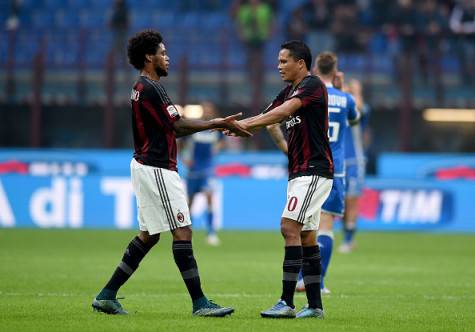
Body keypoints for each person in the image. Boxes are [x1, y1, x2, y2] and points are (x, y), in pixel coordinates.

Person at [91, 30, 250, 317]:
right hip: (157, 168)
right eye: (163, 53)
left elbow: (169, 127)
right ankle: (200, 303)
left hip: (145, 165)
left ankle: (106, 295)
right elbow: (177, 127)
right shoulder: (152, 88)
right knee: (183, 230)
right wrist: (215, 122)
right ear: (149, 57)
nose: (168, 58)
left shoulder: (140, 87)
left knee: (149, 235)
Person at [230, 40, 334, 319]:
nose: (278, 66)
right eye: (277, 61)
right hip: (300, 171)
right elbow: (269, 116)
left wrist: (245, 125)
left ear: (301, 63)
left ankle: (286, 302)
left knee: (288, 227)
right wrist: (237, 126)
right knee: (307, 236)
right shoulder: (289, 91)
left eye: (283, 61)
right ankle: (314, 306)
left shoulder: (312, 86)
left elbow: (282, 113)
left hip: (313, 170)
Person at [296, 54, 359, 295]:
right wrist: (342, 91)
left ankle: (302, 277)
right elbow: (355, 121)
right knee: (326, 226)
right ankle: (318, 282)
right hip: (336, 168)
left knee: (302, 224)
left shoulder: (308, 95)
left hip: (309, 164)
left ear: (313, 69)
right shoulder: (346, 99)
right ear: (336, 71)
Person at [182, 102, 225, 246]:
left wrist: (217, 148)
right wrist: (183, 158)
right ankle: (188, 233)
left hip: (207, 170)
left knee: (209, 199)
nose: (207, 111)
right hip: (193, 170)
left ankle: (211, 233)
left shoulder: (215, 128)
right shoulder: (195, 126)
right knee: (190, 202)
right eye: (205, 109)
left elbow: (221, 141)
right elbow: (180, 142)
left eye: (209, 109)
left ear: (212, 111)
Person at [339, 79, 370, 254]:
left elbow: (358, 105)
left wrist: (356, 89)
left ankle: (348, 240)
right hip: (336, 161)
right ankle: (347, 235)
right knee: (339, 205)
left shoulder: (361, 110)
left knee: (351, 200)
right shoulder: (337, 108)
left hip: (354, 161)